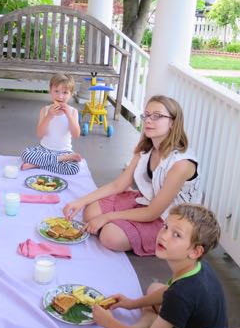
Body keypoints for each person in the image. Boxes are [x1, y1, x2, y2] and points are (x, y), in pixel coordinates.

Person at [63, 95, 202, 255]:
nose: (148, 120)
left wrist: (107, 217)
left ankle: (123, 230)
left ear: (172, 122)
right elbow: (118, 185)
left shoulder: (181, 164)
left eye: (157, 116)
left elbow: (153, 213)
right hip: (146, 201)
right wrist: (80, 201)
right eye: (147, 115)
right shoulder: (147, 148)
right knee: (89, 212)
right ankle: (120, 225)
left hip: (169, 219)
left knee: (110, 237)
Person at [85, 203, 227, 328]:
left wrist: (110, 323)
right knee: (155, 288)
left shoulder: (181, 294)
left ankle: (144, 327)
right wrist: (131, 304)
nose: (164, 236)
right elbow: (169, 291)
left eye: (176, 234)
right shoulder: (197, 266)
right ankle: (147, 323)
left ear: (196, 251)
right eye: (165, 227)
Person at [21, 73, 82, 175]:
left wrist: (69, 117)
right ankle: (59, 159)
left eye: (65, 92)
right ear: (50, 91)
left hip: (64, 151)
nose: (60, 96)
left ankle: (38, 164)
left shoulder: (73, 112)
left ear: (71, 94)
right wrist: (49, 116)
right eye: (56, 91)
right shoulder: (45, 110)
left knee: (73, 168)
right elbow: (39, 134)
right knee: (25, 154)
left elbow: (76, 135)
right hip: (44, 149)